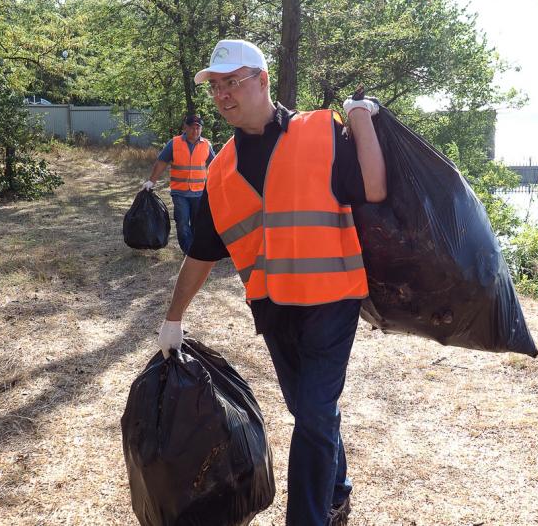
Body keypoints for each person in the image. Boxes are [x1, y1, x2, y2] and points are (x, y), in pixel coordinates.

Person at [154, 39, 387, 526]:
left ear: (262, 80)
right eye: (216, 87)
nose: (222, 95)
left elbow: (375, 187)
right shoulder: (220, 171)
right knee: (309, 412)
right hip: (274, 309)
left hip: (332, 300)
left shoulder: (321, 133)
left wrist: (361, 118)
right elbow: (201, 252)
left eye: (232, 82)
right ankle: (338, 489)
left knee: (315, 414)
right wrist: (173, 317)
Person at [142, 115, 215, 254]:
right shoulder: (174, 143)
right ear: (185, 128)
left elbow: (215, 165)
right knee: (182, 223)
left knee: (197, 223)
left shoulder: (206, 144)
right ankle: (188, 252)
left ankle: (195, 248)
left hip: (199, 192)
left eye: (198, 127)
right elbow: (161, 162)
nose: (195, 131)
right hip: (180, 193)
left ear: (201, 129)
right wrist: (152, 181)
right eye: (192, 127)